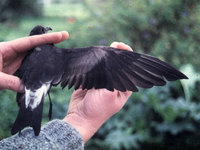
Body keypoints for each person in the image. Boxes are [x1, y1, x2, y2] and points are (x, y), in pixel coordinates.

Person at [0, 31, 132, 149]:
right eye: (43, 31)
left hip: (30, 88)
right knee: (104, 54)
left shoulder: (27, 56)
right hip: (37, 89)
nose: (46, 30)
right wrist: (82, 120)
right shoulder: (61, 56)